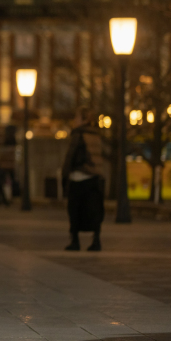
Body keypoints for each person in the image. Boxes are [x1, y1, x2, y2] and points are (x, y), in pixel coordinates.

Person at [62, 106, 105, 251]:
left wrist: (64, 176)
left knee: (75, 210)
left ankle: (75, 241)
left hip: (79, 178)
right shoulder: (97, 135)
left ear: (83, 119)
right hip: (95, 178)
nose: (74, 121)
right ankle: (96, 240)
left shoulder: (78, 135)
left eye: (77, 118)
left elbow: (70, 156)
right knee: (94, 211)